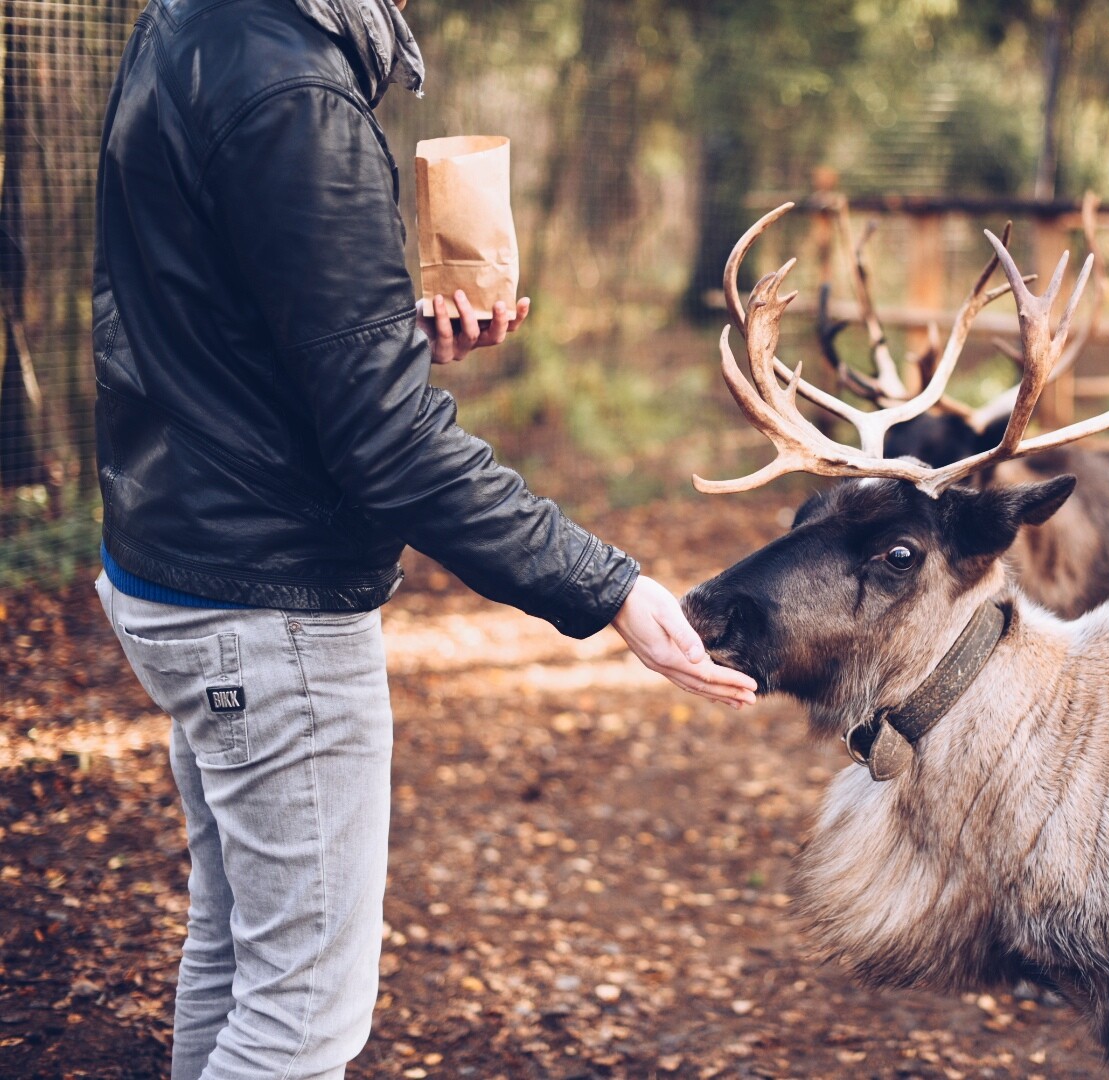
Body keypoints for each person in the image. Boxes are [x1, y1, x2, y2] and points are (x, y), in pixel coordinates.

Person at [91, 1, 756, 1076]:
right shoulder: (301, 92)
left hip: (179, 561)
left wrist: (378, 345)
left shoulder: (192, 25)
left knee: (239, 952)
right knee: (299, 1017)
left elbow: (211, 319)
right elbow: (390, 449)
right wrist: (615, 590)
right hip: (268, 611)